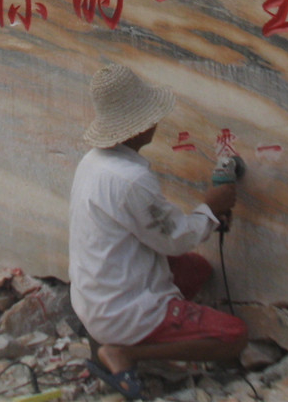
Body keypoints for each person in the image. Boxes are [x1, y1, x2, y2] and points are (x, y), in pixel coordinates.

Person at [68, 63, 248, 400]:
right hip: (121, 312)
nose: (155, 122)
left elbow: (160, 234)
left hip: (94, 300)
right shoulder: (130, 179)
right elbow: (173, 239)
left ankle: (106, 340)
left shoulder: (93, 162)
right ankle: (126, 352)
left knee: (198, 271)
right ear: (137, 128)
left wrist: (207, 215)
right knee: (234, 336)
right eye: (149, 117)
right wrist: (210, 208)